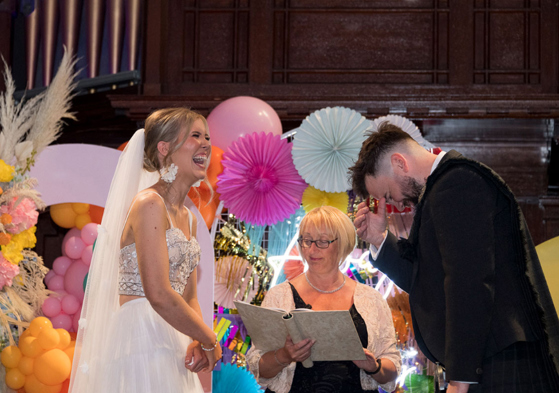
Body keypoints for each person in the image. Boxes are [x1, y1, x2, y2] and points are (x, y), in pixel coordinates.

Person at [349, 121, 559, 393]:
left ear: (400, 163)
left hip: (501, 361)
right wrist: (379, 239)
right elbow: (424, 280)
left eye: (389, 194)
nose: (397, 203)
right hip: (486, 360)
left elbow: (469, 283)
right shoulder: (440, 191)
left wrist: (461, 378)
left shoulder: (457, 183)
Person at [69, 108, 222, 393]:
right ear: (165, 148)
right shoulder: (149, 204)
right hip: (141, 337)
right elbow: (159, 292)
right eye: (195, 136)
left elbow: (188, 295)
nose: (206, 144)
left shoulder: (189, 217)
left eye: (207, 137)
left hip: (173, 337)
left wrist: (195, 337)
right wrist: (209, 338)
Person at [247, 206, 401, 393]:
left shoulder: (371, 299)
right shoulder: (279, 297)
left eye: (322, 242)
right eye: (306, 240)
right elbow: (258, 367)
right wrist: (284, 355)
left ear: (343, 243)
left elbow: (392, 368)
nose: (312, 249)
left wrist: (373, 366)